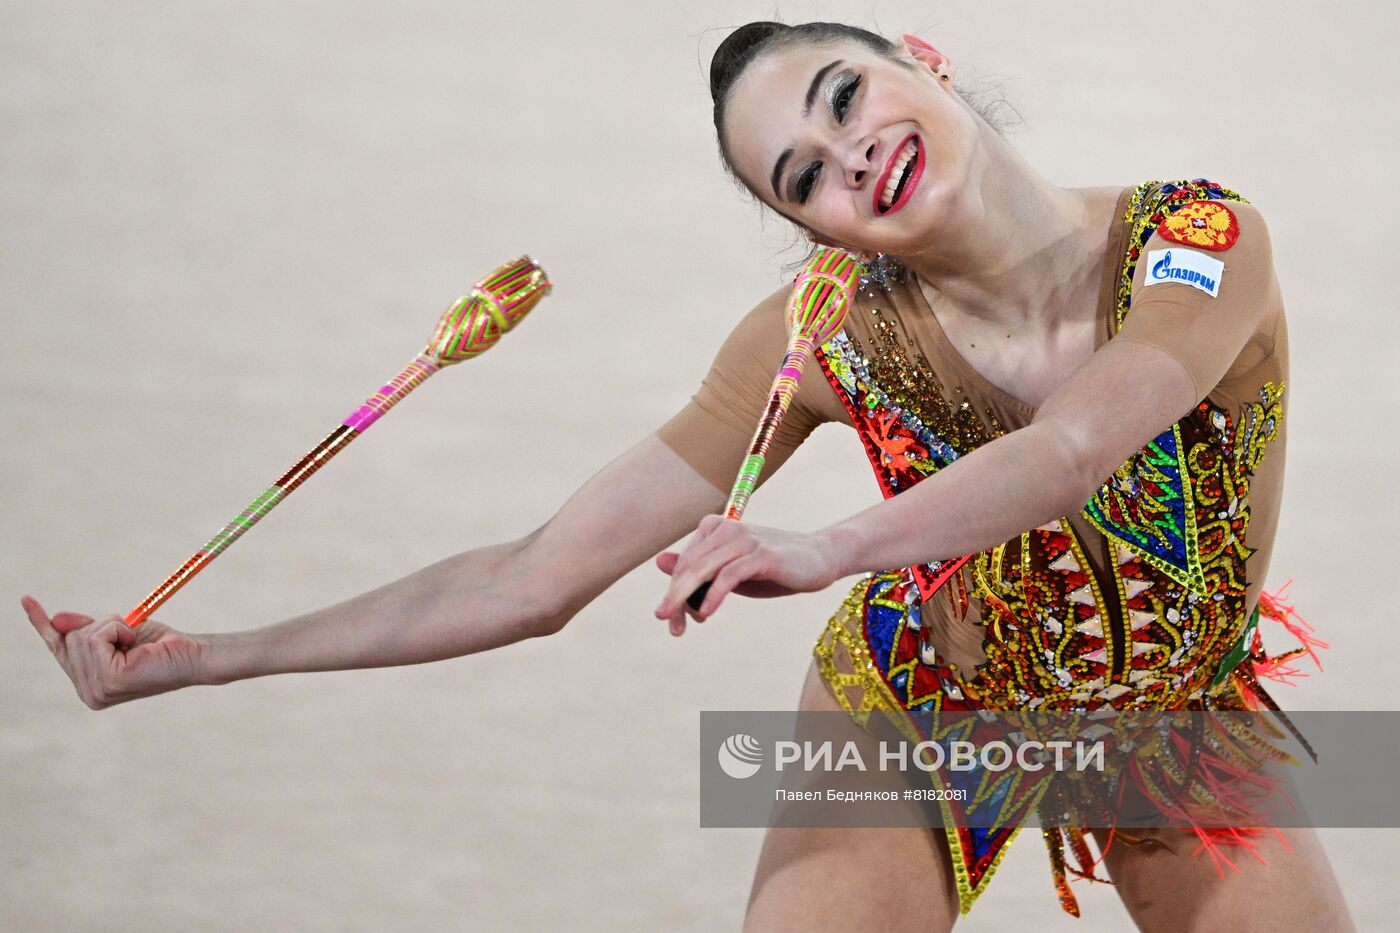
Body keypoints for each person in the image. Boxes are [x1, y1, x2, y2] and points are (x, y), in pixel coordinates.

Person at [22, 20, 1352, 931]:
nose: (852, 155)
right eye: (804, 178)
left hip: (1172, 723)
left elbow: (1071, 452)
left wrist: (823, 544)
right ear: (812, 226)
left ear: (920, 60)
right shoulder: (820, 338)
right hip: (922, 705)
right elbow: (536, 575)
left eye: (845, 95)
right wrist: (208, 656)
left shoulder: (1193, 236)